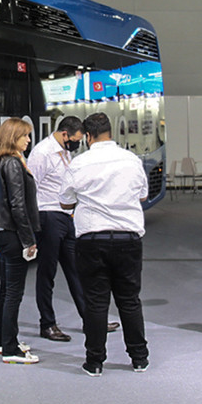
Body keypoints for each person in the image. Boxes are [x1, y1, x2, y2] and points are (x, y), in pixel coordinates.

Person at [60, 112, 150, 377]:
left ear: (87, 137)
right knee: (130, 301)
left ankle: (95, 361)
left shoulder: (79, 163)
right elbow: (143, 195)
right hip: (128, 238)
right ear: (111, 133)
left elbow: (65, 201)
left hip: (92, 239)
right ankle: (139, 358)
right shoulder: (131, 160)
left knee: (96, 303)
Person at [29, 116, 120, 343]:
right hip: (48, 215)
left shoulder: (65, 152)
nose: (76, 145)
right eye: (74, 140)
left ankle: (91, 319)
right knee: (47, 273)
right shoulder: (42, 154)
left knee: (78, 271)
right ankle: (47, 324)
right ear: (64, 134)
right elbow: (31, 188)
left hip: (67, 216)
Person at [0, 117, 41, 364]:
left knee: (6, 290)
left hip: (0, 232)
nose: (28, 139)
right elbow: (18, 205)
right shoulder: (13, 163)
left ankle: (4, 342)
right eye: (25, 135)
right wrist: (29, 240)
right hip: (13, 235)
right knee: (14, 292)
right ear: (13, 137)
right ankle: (11, 349)